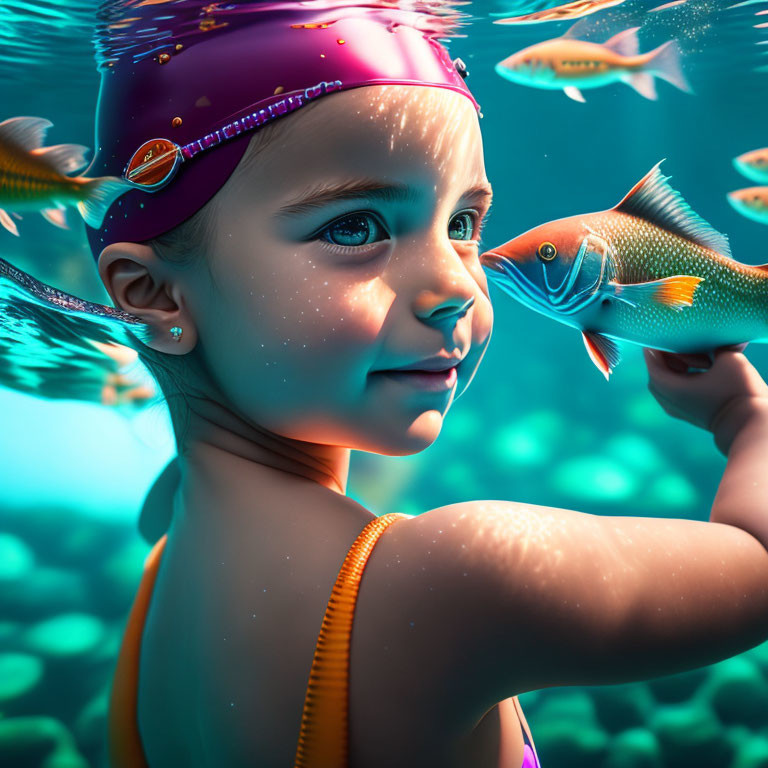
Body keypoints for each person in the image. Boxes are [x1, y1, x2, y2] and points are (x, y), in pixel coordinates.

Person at [2, 1, 767, 766]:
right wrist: (744, 415)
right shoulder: (456, 584)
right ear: (154, 296)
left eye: (463, 225)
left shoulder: (171, 537)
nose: (455, 288)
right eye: (355, 228)